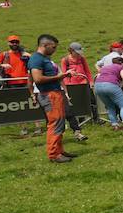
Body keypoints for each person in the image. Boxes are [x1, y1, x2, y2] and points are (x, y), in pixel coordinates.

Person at [28, 34, 74, 163]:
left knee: (59, 123)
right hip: (49, 94)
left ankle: (60, 150)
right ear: (45, 45)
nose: (54, 50)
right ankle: (54, 154)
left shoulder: (43, 59)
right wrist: (61, 76)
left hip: (54, 93)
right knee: (55, 124)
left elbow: (30, 79)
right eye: (53, 47)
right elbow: (37, 78)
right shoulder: (36, 59)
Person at [93, 52, 123, 131]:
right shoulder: (121, 67)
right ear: (121, 62)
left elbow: (99, 74)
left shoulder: (105, 67)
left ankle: (115, 125)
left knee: (110, 106)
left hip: (97, 86)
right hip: (111, 85)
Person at [58, 42, 94, 137]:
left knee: (89, 100)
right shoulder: (65, 60)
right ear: (71, 51)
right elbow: (64, 74)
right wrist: (67, 85)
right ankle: (78, 121)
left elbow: (87, 71)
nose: (79, 54)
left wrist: (90, 82)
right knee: (74, 103)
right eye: (76, 52)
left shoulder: (82, 59)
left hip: (84, 83)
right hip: (72, 85)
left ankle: (93, 118)